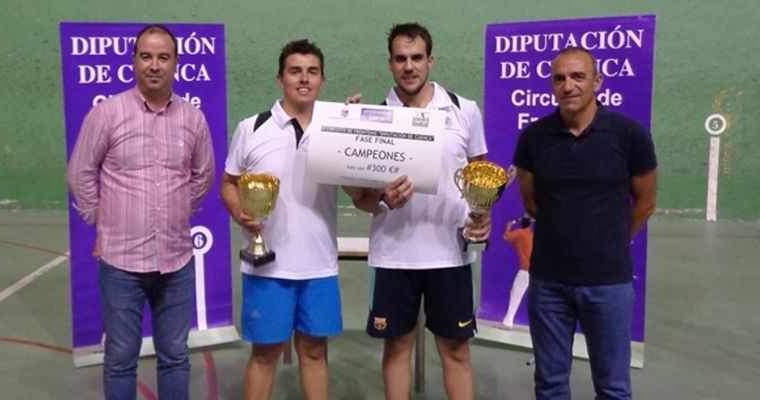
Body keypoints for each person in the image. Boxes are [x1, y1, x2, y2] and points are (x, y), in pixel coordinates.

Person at [66, 24, 215, 399]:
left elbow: (203, 176)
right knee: (120, 358)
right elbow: (80, 172)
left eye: (163, 57)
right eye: (146, 56)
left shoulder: (193, 119)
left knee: (176, 356)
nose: (154, 65)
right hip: (121, 265)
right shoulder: (107, 114)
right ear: (133, 61)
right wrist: (102, 221)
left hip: (176, 263)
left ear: (176, 64)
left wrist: (178, 213)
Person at [345, 22, 489, 400]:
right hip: (394, 255)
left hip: (450, 253)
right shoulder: (372, 118)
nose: (409, 66)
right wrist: (381, 200)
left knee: (456, 351)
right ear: (390, 63)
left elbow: (482, 175)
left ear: (430, 60)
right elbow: (360, 198)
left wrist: (481, 214)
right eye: (401, 58)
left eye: (417, 57)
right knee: (396, 349)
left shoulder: (463, 110)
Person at [513, 47, 657, 399]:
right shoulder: (534, 137)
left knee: (612, 387)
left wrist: (609, 241)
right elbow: (531, 202)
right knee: (549, 385)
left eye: (578, 76)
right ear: (552, 85)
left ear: (597, 82)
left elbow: (645, 202)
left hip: (608, 284)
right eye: (560, 78)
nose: (568, 85)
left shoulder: (629, 135)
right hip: (548, 283)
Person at [220, 39, 342, 400]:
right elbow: (229, 183)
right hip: (267, 266)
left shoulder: (336, 128)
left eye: (312, 72)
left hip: (319, 265)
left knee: (315, 351)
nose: (303, 79)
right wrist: (238, 211)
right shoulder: (252, 128)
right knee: (264, 355)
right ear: (280, 79)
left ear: (322, 79)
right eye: (295, 71)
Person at [500, 216, 533, 329]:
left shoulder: (520, 233)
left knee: (515, 295)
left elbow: (506, 237)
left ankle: (507, 322)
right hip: (534, 271)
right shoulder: (530, 235)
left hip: (525, 270)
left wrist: (508, 226)